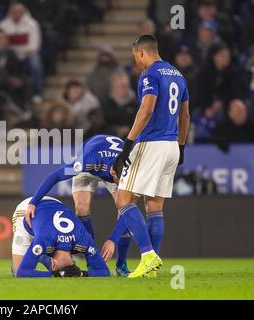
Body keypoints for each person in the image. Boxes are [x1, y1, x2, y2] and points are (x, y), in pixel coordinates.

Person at [103, 34, 190, 278]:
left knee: (124, 199)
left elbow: (146, 109)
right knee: (154, 205)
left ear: (141, 52)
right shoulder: (178, 75)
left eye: (135, 57)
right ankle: (150, 269)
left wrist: (127, 145)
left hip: (151, 143)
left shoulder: (149, 74)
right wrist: (181, 147)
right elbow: (185, 117)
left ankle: (148, 255)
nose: (136, 62)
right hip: (172, 145)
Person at [24, 134, 133, 276]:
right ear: (113, 173)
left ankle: (121, 264)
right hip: (90, 166)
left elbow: (129, 213)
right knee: (81, 208)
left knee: (127, 209)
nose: (122, 185)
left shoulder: (129, 168)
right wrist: (33, 202)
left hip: (116, 162)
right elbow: (55, 176)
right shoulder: (83, 164)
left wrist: (113, 239)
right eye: (120, 181)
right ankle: (91, 260)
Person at [13, 197, 110, 278]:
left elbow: (105, 272)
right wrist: (54, 275)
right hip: (27, 210)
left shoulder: (84, 239)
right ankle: (34, 252)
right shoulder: (44, 241)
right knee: (16, 270)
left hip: (55, 204)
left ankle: (34, 254)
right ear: (53, 264)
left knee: (35, 251)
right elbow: (22, 273)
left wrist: (81, 274)